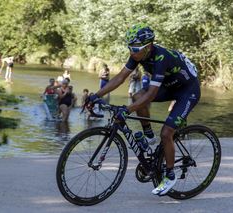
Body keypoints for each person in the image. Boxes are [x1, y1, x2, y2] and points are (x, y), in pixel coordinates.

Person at [85, 24, 200, 195]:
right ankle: (149, 136)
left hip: (187, 90)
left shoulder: (162, 57)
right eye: (129, 48)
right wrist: (96, 95)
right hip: (170, 86)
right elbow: (121, 77)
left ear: (148, 46)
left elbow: (152, 94)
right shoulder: (138, 54)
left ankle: (169, 175)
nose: (132, 52)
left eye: (136, 48)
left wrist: (127, 110)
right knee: (138, 97)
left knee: (167, 132)